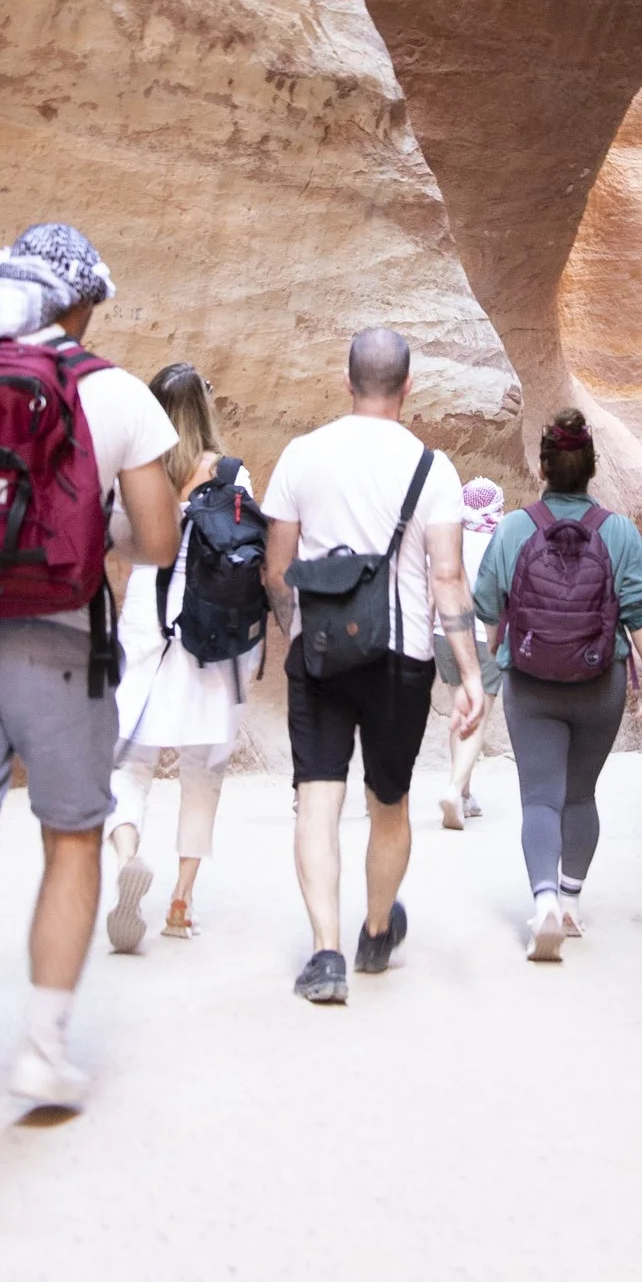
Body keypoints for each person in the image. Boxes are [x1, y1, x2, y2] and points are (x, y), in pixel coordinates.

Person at [0, 224, 179, 1150]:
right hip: (64, 643)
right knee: (71, 839)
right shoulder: (117, 393)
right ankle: (42, 1049)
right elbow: (159, 541)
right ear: (81, 303)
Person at [260, 326, 482, 1004]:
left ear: (346, 379)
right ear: (409, 385)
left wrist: (294, 626)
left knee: (316, 803)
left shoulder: (302, 455)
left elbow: (276, 569)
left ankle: (325, 953)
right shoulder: (431, 469)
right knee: (390, 802)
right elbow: (447, 577)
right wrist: (469, 671)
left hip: (320, 653)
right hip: (402, 657)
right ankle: (377, 931)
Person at [469, 406, 642, 961]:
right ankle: (573, 903)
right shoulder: (620, 533)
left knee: (540, 799)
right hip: (599, 682)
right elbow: (639, 609)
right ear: (592, 469)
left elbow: (485, 601)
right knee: (580, 794)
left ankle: (546, 900)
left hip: (530, 682)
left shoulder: (512, 529)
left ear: (543, 467)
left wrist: (494, 642)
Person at [105, 364, 262, 948]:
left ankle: (127, 855)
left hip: (148, 613)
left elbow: (120, 545)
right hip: (208, 626)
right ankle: (180, 901)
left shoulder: (135, 467)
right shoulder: (229, 471)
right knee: (204, 770)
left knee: (129, 760)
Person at [437, 475, 507, 830]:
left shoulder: (449, 537)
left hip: (445, 634)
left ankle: (465, 793)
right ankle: (453, 789)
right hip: (486, 637)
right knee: (477, 714)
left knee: (459, 708)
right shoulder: (502, 539)